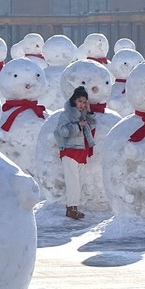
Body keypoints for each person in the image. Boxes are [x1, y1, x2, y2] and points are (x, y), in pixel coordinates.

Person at [56, 86, 96, 220]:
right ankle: (70, 208)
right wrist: (78, 125)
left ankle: (74, 207)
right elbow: (62, 131)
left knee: (79, 181)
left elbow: (92, 126)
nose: (82, 104)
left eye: (84, 102)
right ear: (74, 101)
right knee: (72, 181)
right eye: (80, 101)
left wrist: (89, 112)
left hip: (82, 151)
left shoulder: (84, 114)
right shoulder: (66, 115)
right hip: (70, 150)